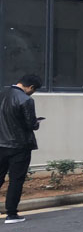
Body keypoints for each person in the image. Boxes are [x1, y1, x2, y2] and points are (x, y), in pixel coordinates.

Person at [0, 74, 42, 223]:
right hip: (19, 146)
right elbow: (31, 124)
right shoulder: (26, 100)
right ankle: (11, 214)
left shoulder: (2, 93)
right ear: (31, 87)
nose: (32, 93)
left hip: (1, 144)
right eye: (33, 90)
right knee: (16, 180)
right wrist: (37, 123)